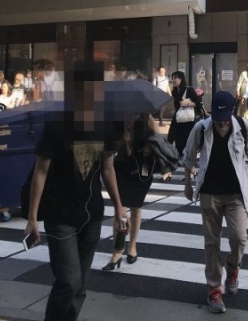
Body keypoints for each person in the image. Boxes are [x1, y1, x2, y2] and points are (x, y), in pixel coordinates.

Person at [22, 63, 127, 321]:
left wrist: (119, 207)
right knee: (68, 281)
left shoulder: (105, 124)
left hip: (92, 215)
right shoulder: (58, 126)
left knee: (80, 287)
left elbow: (108, 169)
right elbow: (41, 171)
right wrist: (32, 218)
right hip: (60, 214)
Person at [182, 91, 248, 314]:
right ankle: (214, 289)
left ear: (232, 111)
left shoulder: (243, 127)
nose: (222, 124)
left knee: (239, 237)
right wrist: (187, 183)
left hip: (236, 193)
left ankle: (233, 268)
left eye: (225, 119)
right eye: (218, 119)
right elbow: (189, 156)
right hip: (209, 193)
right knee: (211, 243)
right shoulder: (201, 128)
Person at [102, 113, 178, 271]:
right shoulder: (117, 119)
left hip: (142, 167)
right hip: (121, 167)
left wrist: (149, 146)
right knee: (120, 208)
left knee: (136, 207)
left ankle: (132, 245)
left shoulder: (145, 117)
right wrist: (123, 139)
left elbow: (158, 139)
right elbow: (109, 146)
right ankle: (117, 250)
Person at [167, 71, 202, 158]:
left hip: (187, 121)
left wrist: (187, 104)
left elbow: (198, 103)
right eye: (172, 78)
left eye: (175, 78)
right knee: (172, 138)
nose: (173, 80)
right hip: (178, 118)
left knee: (184, 139)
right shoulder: (175, 91)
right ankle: (174, 156)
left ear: (181, 79)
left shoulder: (188, 89)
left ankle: (185, 158)